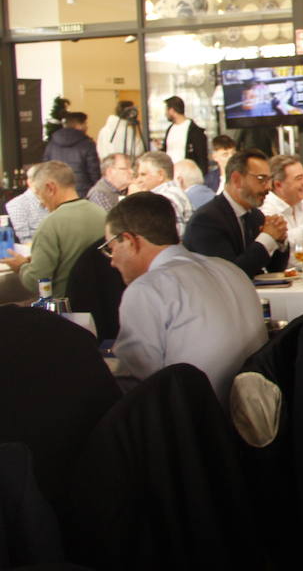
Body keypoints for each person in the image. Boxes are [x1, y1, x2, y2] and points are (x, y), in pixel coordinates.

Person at [105, 192, 267, 406]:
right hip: (258, 416)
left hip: (196, 422)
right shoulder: (229, 269)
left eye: (110, 248)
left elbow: (138, 385)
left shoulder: (147, 289)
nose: (112, 262)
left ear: (129, 240)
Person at [2, 161, 107, 299]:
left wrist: (22, 267)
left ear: (50, 188)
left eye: (39, 194)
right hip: (102, 301)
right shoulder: (103, 215)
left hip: (67, 307)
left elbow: (37, 281)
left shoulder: (50, 225)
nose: (41, 203)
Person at [183, 149, 290, 278]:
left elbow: (274, 269)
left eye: (269, 180)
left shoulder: (255, 216)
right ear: (237, 179)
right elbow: (231, 275)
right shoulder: (206, 221)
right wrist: (267, 238)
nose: (268, 187)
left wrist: (279, 239)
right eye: (261, 179)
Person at [133, 151, 195, 235]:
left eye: (143, 174)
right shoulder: (170, 194)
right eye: (138, 175)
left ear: (160, 175)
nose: (139, 180)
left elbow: (176, 235)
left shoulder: (167, 197)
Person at [43, 111, 101, 197]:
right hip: (84, 192)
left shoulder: (52, 144)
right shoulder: (87, 144)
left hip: (58, 191)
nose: (87, 126)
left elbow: (46, 168)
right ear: (79, 125)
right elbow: (94, 171)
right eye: (85, 123)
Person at [162, 95, 208, 172]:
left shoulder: (194, 131)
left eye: (166, 110)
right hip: (170, 173)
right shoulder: (170, 129)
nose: (165, 113)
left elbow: (201, 157)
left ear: (172, 110)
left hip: (187, 174)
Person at [4, 165, 49, 242]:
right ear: (29, 182)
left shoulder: (54, 200)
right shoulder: (17, 204)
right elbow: (24, 240)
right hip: (34, 251)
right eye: (41, 180)